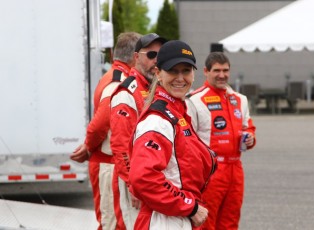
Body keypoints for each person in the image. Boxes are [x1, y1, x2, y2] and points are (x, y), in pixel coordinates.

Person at [128, 40, 217, 230]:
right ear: (158, 73)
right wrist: (189, 206)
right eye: (172, 71)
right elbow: (143, 177)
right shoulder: (158, 120)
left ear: (194, 74)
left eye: (186, 70)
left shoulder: (177, 113)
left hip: (175, 217)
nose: (180, 77)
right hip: (163, 219)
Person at [70, 32, 141, 230]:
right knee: (113, 224)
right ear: (136, 57)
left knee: (115, 221)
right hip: (108, 164)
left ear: (113, 54)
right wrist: (89, 146)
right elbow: (99, 123)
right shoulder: (118, 82)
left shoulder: (113, 75)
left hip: (109, 163)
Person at [186, 52, 256, 230]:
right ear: (206, 71)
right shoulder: (195, 100)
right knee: (206, 222)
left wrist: (250, 137)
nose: (222, 75)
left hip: (235, 168)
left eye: (226, 70)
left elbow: (249, 126)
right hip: (210, 172)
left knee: (231, 220)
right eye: (217, 70)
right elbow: (186, 139)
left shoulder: (240, 99)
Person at [109, 33, 166, 230]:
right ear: (136, 57)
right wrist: (132, 185)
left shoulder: (157, 88)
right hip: (136, 184)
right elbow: (120, 144)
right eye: (151, 55)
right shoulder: (127, 92)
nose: (156, 61)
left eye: (160, 55)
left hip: (156, 181)